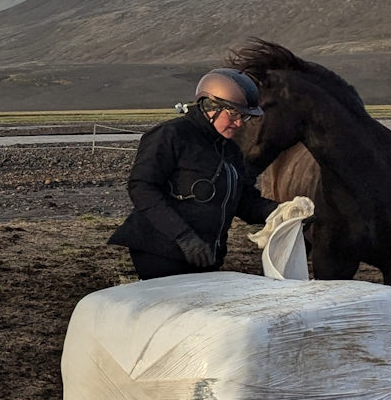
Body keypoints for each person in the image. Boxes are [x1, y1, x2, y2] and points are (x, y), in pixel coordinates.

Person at [108, 68, 279, 280]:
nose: (238, 124)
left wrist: (281, 212)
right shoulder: (170, 135)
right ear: (210, 106)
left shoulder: (230, 150)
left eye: (243, 117)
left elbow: (242, 199)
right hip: (161, 252)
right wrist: (184, 237)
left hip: (204, 255)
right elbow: (142, 187)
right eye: (234, 115)